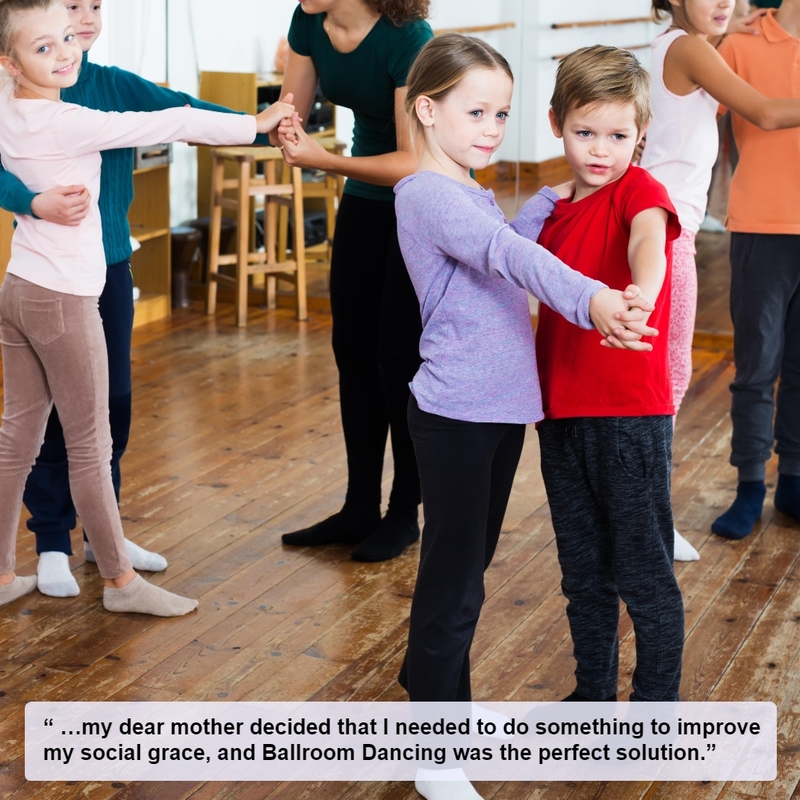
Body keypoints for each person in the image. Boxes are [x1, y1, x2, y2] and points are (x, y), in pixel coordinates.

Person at [392, 34, 658, 800]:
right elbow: (513, 259)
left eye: (501, 114)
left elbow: (509, 238)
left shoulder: (465, 190)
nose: (489, 127)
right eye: (474, 111)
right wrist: (594, 300)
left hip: (495, 412)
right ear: (427, 108)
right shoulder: (430, 194)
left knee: (466, 565)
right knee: (456, 581)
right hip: (458, 417)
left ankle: (426, 678)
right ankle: (435, 751)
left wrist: (555, 199)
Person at [0, 0, 293, 613]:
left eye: (66, 36)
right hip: (62, 295)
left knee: (17, 437)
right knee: (88, 441)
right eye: (45, 45)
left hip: (21, 285)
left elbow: (170, 107)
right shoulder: (68, 119)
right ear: (12, 61)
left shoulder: (10, 105)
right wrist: (257, 124)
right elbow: (174, 121)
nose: (67, 48)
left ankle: (3, 575)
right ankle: (119, 584)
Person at [536, 46, 685, 703]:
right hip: (559, 415)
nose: (601, 150)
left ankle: (657, 701)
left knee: (642, 566)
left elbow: (647, 245)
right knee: (581, 568)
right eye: (584, 133)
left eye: (619, 135)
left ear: (641, 134)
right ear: (555, 124)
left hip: (629, 413)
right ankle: (591, 691)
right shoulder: (548, 211)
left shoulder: (642, 192)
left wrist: (642, 294)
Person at [272, 0, 432, 563]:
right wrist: (276, 129)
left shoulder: (406, 37)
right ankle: (359, 505)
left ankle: (402, 513)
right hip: (365, 199)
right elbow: (288, 110)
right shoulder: (309, 20)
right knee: (353, 352)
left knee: (398, 358)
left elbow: (415, 159)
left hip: (418, 202)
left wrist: (325, 160)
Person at [641, 0, 800, 551]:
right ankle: (671, 517)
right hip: (702, 228)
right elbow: (763, 113)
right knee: (693, 375)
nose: (724, 1)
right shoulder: (703, 47)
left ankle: (650, 520)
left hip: (671, 228)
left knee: (669, 376)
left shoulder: (696, 39)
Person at [711, 0, 800, 538]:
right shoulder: (740, 44)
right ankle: (748, 485)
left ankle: (793, 479)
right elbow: (690, 117)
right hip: (762, 227)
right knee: (756, 369)